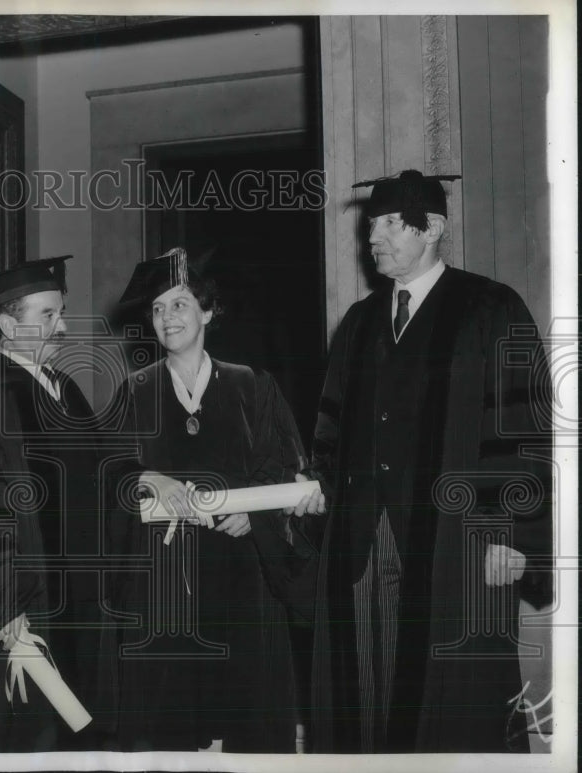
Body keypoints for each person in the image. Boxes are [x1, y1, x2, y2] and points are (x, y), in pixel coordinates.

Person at [303, 170, 552, 752]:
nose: (375, 238)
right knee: (362, 693)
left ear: (433, 227)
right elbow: (331, 430)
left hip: (457, 543)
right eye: (372, 227)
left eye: (391, 224)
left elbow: (527, 427)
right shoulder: (359, 324)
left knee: (451, 701)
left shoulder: (491, 307)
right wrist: (316, 486)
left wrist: (515, 536)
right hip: (363, 541)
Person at [0, 255, 154, 752]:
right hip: (14, 615)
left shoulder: (65, 390)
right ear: (6, 324)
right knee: (15, 741)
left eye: (60, 313)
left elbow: (101, 477)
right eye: (46, 316)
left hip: (73, 604)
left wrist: (145, 478)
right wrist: (0, 608)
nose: (60, 327)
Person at [110, 247, 321, 753]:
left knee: (248, 723)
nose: (167, 318)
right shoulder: (133, 393)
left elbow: (286, 467)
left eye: (179, 305)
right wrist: (145, 477)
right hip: (164, 581)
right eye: (157, 309)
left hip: (244, 578)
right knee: (169, 731)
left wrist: (257, 512)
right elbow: (104, 476)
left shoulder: (253, 386)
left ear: (207, 311)